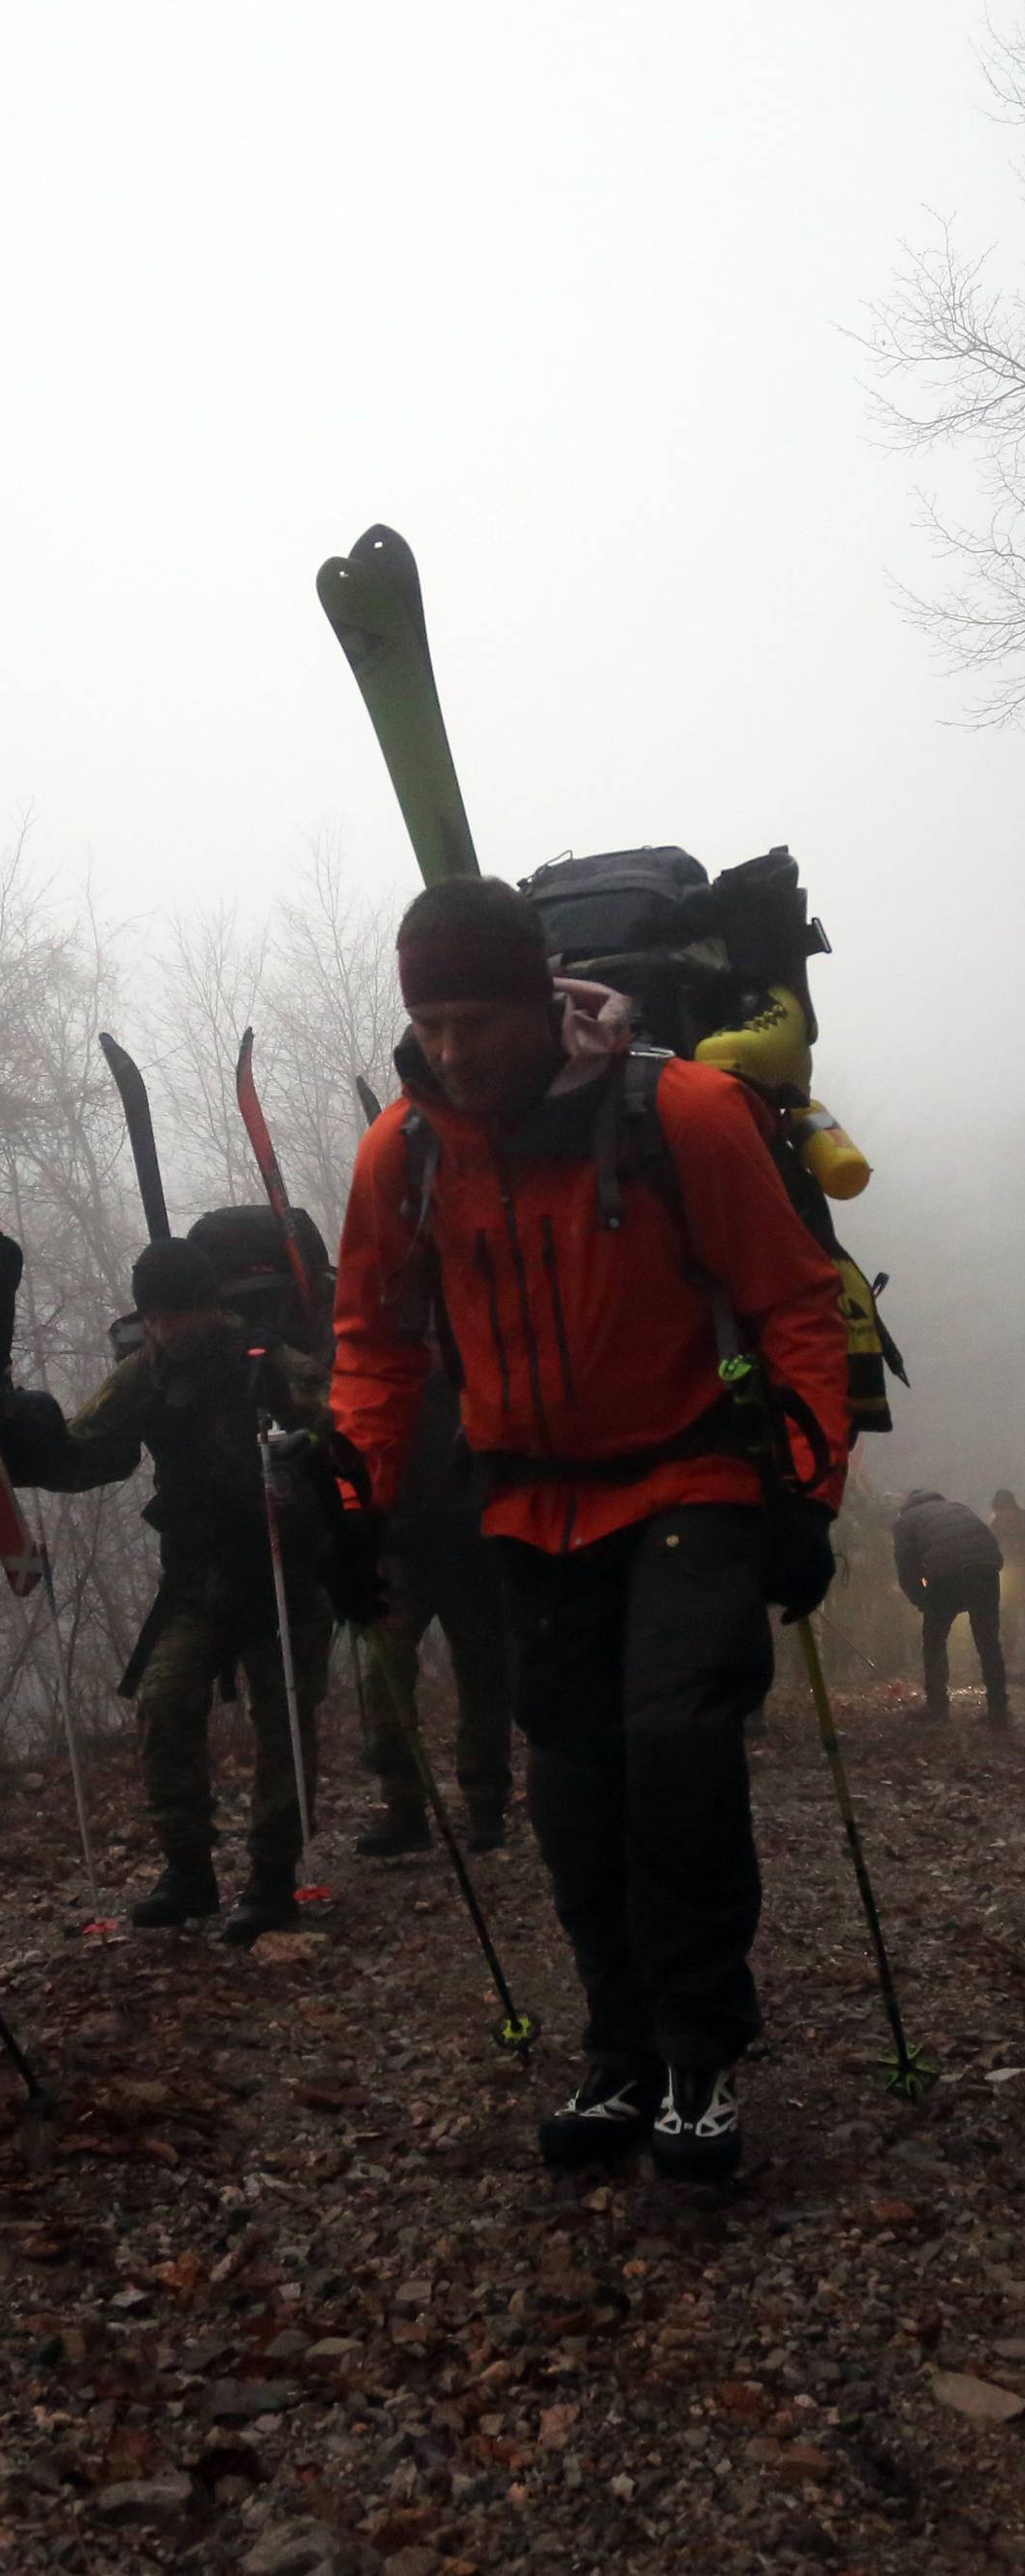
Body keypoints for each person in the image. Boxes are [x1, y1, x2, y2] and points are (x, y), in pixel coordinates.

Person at [331, 877, 850, 2179]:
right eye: (431, 1020)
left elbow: (793, 1301)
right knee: (574, 1785)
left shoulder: (684, 1110)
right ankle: (617, 2047)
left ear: (537, 996)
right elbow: (374, 1345)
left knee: (673, 1747)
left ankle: (697, 2049)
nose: (452, 1047)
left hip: (691, 1478)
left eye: (476, 1016)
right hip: (529, 1502)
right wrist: (356, 1505)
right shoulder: (405, 1150)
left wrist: (807, 1487)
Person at [34, 1236, 333, 1946]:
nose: (169, 1330)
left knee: (284, 1721)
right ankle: (188, 1869)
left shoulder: (267, 1366)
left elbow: (351, 1424)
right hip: (198, 1577)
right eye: (157, 1318)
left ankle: (272, 1874)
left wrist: (310, 1451)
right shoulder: (144, 1375)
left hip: (286, 1570)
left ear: (210, 1309)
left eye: (181, 1316)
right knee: (164, 1704)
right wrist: (28, 1443)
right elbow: (84, 1446)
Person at [355, 1365, 513, 1858]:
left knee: (482, 1670)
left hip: (471, 1546)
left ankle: (485, 1804)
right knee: (385, 1672)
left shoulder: (475, 1358)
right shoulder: (381, 1368)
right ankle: (404, 1807)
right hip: (402, 1545)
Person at [894, 1490, 1010, 1725]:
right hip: (986, 1568)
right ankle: (999, 1710)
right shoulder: (958, 1507)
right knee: (988, 1641)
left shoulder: (905, 1520)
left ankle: (937, 1707)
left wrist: (922, 1600)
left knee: (934, 1640)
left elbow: (906, 1568)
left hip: (947, 1572)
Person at [992, 1488, 1025, 1661]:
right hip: (1008, 1576)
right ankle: (1010, 1651)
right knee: (1008, 1616)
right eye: (1000, 1511)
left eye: (1005, 1510)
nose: (1003, 1515)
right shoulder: (995, 1525)